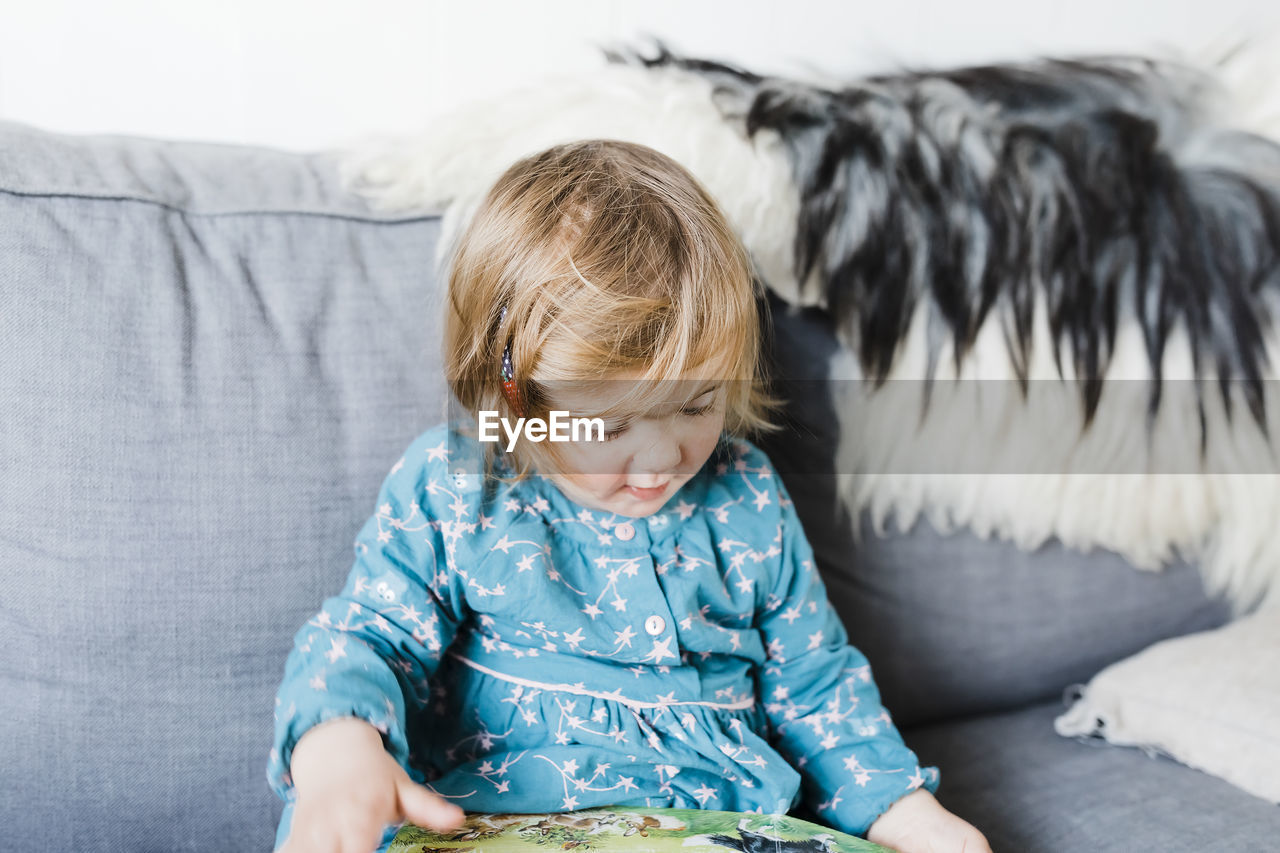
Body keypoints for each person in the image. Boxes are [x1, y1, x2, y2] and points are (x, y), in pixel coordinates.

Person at [268, 139, 991, 853]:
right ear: (512, 395)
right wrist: (338, 743)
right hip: (498, 820)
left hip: (719, 827)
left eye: (696, 405)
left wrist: (907, 809)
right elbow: (370, 637)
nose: (663, 456)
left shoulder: (747, 498)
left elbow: (815, 681)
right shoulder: (460, 485)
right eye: (609, 424)